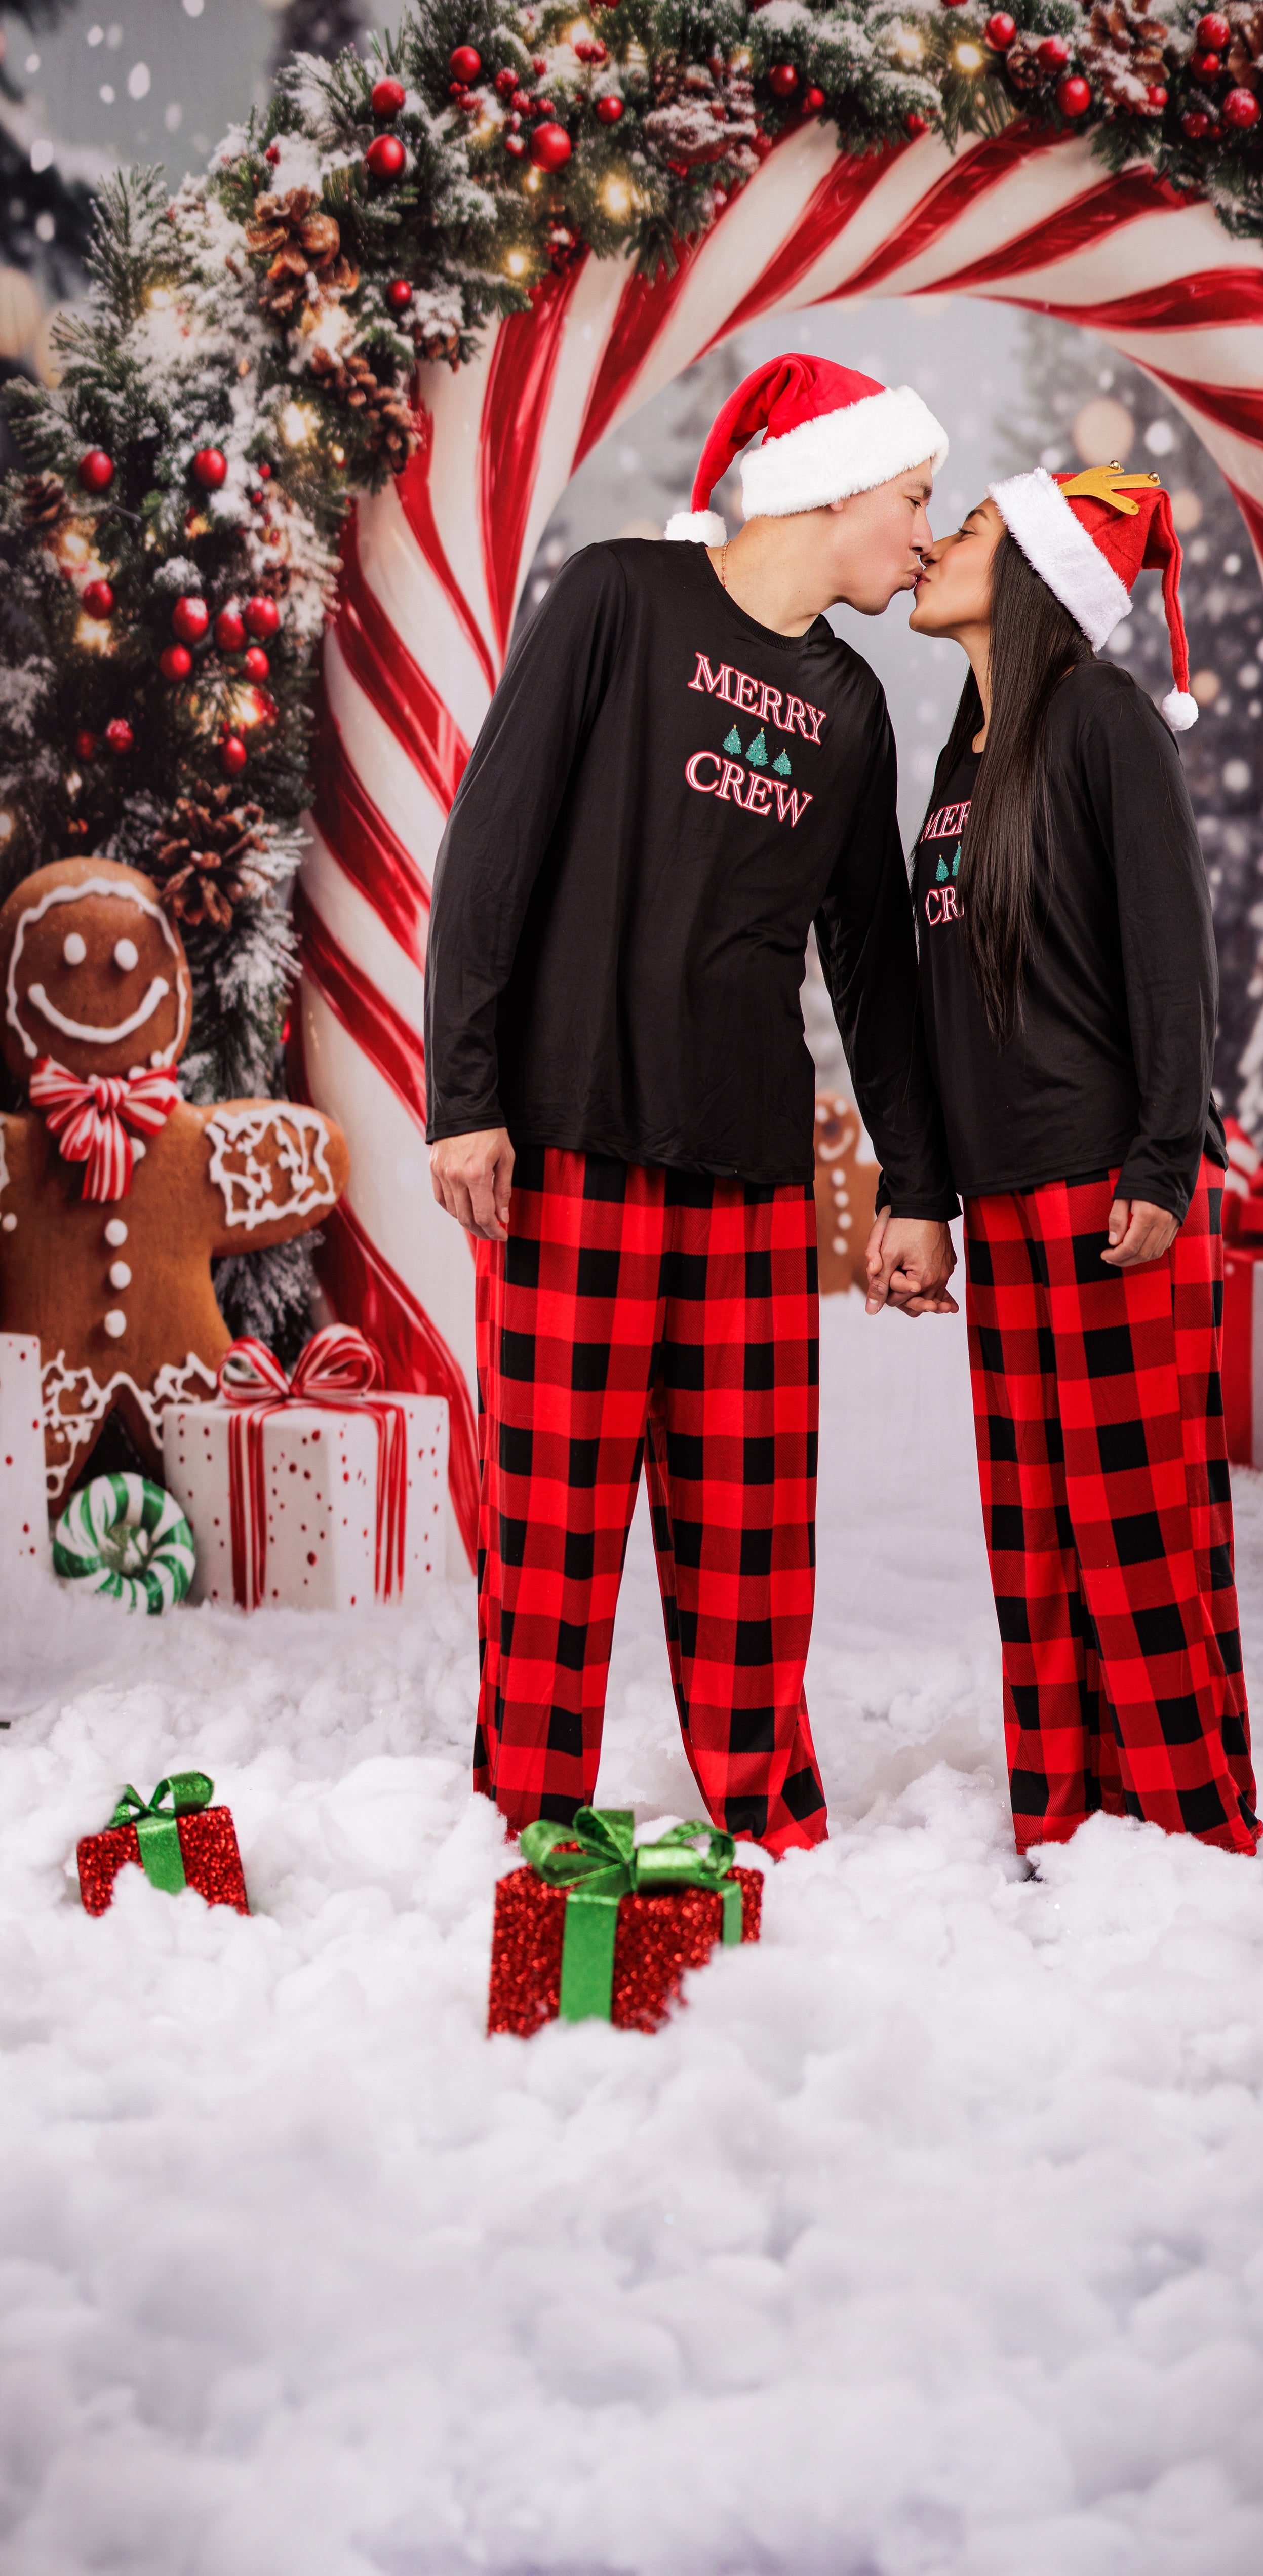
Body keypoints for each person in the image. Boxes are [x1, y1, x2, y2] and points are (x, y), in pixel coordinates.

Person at [425, 354, 959, 1850]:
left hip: (748, 1175)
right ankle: (529, 1812)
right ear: (830, 486)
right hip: (567, 1147)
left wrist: (916, 1187)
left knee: (751, 1527)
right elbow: (491, 852)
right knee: (552, 1520)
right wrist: (461, 1094)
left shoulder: (853, 706)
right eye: (911, 500)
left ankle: (766, 1809)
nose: (924, 534)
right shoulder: (616, 598)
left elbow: (871, 965)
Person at [882, 461, 1260, 1855]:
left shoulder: (1102, 718)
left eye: (964, 527)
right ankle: (1063, 1809)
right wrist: (923, 1191)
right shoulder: (957, 762)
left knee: (1138, 1535)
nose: (928, 548)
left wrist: (1166, 1167)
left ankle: (1180, 1818)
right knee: (1032, 1535)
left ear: (1035, 569)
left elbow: (1172, 961)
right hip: (1001, 1198)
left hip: (1110, 1189)